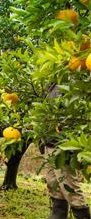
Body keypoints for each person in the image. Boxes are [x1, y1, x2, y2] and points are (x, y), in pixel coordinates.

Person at [44, 86, 90, 219]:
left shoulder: (70, 84)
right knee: (54, 184)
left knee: (69, 185)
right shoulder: (51, 85)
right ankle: (58, 214)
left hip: (62, 145)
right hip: (49, 142)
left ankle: (82, 215)